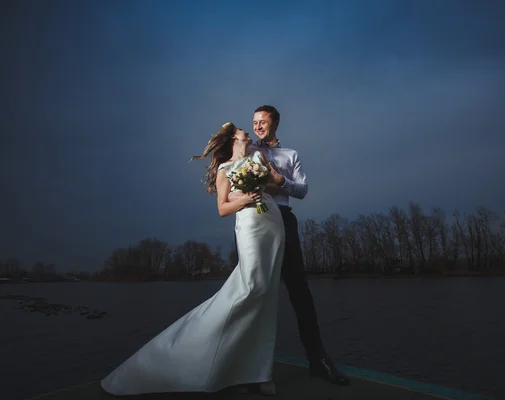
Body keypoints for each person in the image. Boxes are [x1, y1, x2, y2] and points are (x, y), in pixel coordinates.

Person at [100, 122, 285, 396]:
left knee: (267, 294)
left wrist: (274, 178)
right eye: (242, 130)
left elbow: (276, 185)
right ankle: (189, 352)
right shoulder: (224, 170)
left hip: (272, 222)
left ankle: (258, 372)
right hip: (250, 225)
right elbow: (222, 208)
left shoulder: (258, 158)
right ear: (234, 138)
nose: (248, 130)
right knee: (249, 289)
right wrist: (245, 198)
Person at [232, 105, 350, 386]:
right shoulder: (247, 151)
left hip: (284, 220)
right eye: (254, 122)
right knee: (252, 292)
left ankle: (319, 360)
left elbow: (302, 191)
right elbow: (234, 181)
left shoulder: (291, 155)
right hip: (254, 220)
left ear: (275, 123)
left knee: (299, 290)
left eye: (263, 121)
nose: (258, 126)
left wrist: (279, 180)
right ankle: (247, 367)